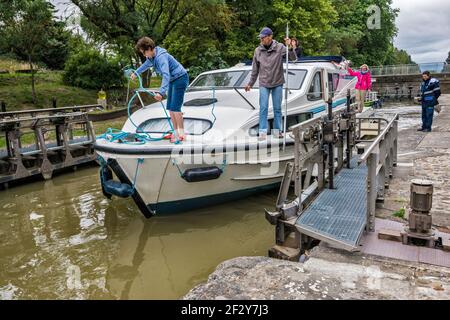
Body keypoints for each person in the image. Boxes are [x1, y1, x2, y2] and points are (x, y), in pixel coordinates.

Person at [131, 37, 189, 143]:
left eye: (144, 53)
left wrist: (161, 92)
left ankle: (182, 134)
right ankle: (175, 132)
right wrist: (136, 73)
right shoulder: (152, 58)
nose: (144, 55)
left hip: (180, 78)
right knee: (171, 108)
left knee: (176, 108)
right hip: (173, 80)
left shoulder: (161, 57)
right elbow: (145, 65)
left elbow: (166, 74)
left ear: (149, 48)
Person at [245, 27, 297, 140]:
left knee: (277, 108)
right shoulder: (257, 51)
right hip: (264, 83)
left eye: (263, 37)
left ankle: (277, 132)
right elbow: (255, 70)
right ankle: (262, 132)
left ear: (270, 37)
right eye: (261, 38)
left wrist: (290, 47)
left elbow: (293, 59)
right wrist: (250, 84)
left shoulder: (280, 47)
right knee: (263, 107)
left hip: (277, 82)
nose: (261, 40)